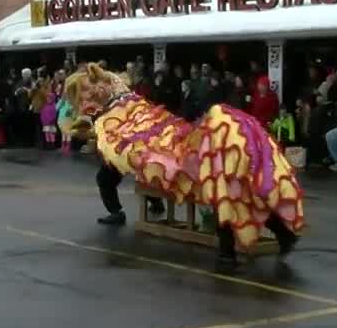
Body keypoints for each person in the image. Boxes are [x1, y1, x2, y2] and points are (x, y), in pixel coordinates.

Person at [80, 62, 302, 267]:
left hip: (210, 154)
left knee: (226, 196)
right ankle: (278, 237)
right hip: (207, 149)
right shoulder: (126, 104)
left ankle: (235, 251)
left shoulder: (219, 133)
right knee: (235, 195)